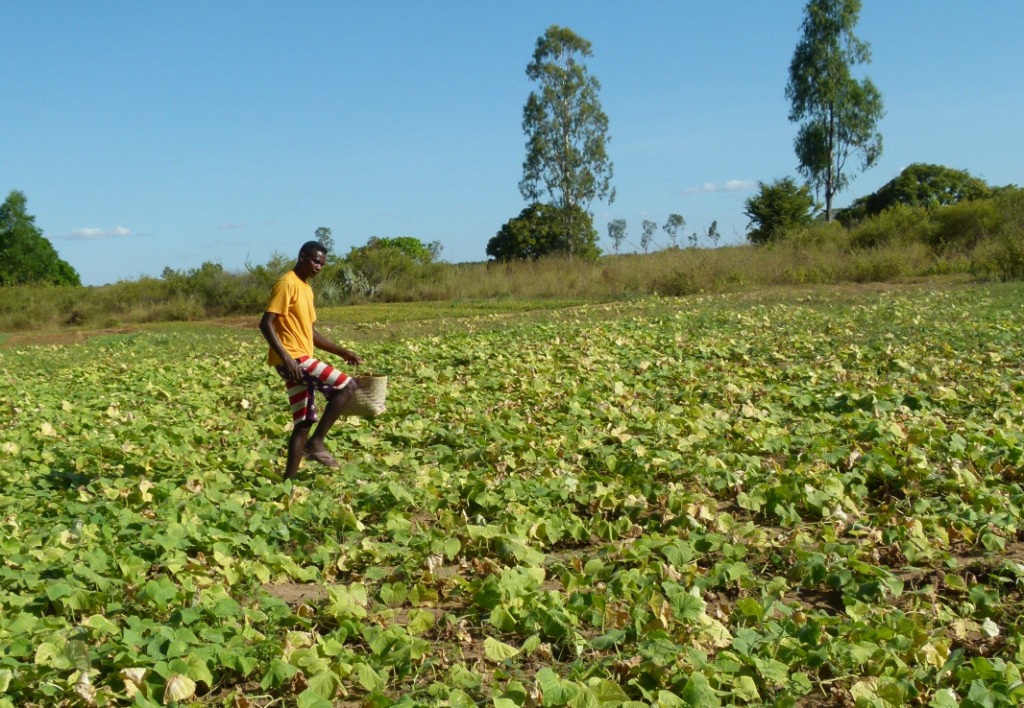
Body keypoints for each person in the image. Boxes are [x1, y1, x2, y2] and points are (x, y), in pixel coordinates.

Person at [259, 241, 362, 479]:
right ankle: (316, 444)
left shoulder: (306, 288)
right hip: (293, 359)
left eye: (322, 264)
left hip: (299, 358)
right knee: (348, 386)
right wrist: (287, 358)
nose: (318, 267)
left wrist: (342, 352)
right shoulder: (287, 284)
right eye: (315, 261)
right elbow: (266, 324)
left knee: (304, 422)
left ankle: (287, 484)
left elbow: (310, 333)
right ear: (302, 256)